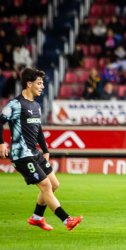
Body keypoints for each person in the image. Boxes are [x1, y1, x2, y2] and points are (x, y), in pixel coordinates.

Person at [0, 67, 83, 231]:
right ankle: (67, 220)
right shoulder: (15, 104)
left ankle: (37, 217)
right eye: (39, 83)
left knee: (54, 184)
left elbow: (38, 130)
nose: (42, 86)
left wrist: (45, 150)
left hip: (35, 153)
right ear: (29, 84)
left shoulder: (36, 106)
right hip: (21, 155)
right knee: (45, 185)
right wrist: (2, 143)